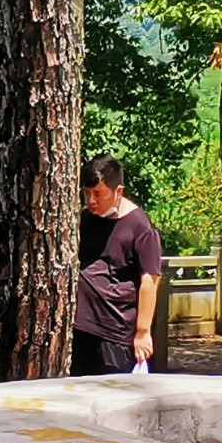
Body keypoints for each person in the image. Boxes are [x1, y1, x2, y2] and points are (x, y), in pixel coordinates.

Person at [71, 156, 164, 375]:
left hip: (115, 332)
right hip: (81, 327)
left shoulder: (140, 227)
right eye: (87, 193)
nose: (91, 201)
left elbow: (150, 279)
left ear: (118, 191)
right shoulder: (85, 219)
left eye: (98, 194)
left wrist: (143, 332)